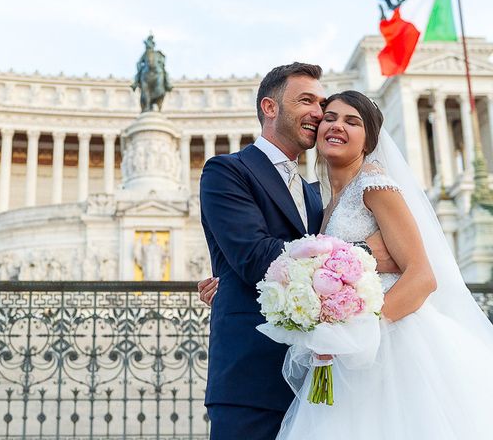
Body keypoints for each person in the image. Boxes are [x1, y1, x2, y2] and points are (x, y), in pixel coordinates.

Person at [275, 91, 493, 439]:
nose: (337, 126)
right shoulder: (326, 203)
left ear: (369, 140)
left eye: (352, 121)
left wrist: (361, 330)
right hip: (348, 353)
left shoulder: (374, 184)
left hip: (395, 343)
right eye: (329, 118)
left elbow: (422, 276)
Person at [198, 65, 395, 440]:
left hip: (317, 382)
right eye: (306, 100)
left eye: (322, 103)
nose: (319, 113)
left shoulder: (313, 193)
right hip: (251, 378)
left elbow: (308, 266)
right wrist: (364, 252)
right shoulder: (227, 171)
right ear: (270, 107)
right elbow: (257, 257)